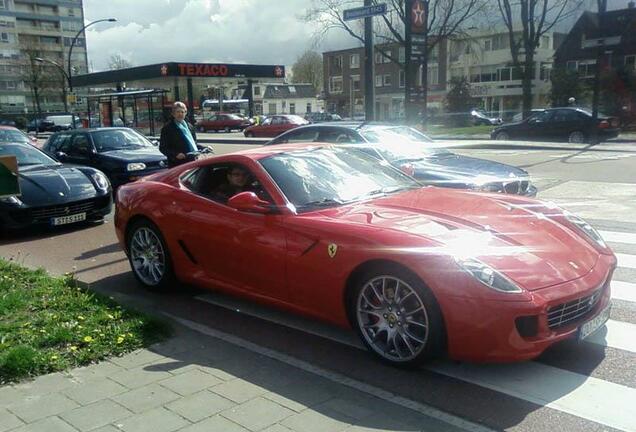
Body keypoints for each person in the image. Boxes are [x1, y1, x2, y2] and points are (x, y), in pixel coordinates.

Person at [159, 102, 200, 167]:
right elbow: (163, 148)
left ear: (185, 113)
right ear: (173, 114)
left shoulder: (189, 126)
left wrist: (204, 148)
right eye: (178, 112)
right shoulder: (167, 128)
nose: (180, 114)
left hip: (192, 161)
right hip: (177, 164)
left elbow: (193, 143)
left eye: (182, 112)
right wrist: (176, 154)